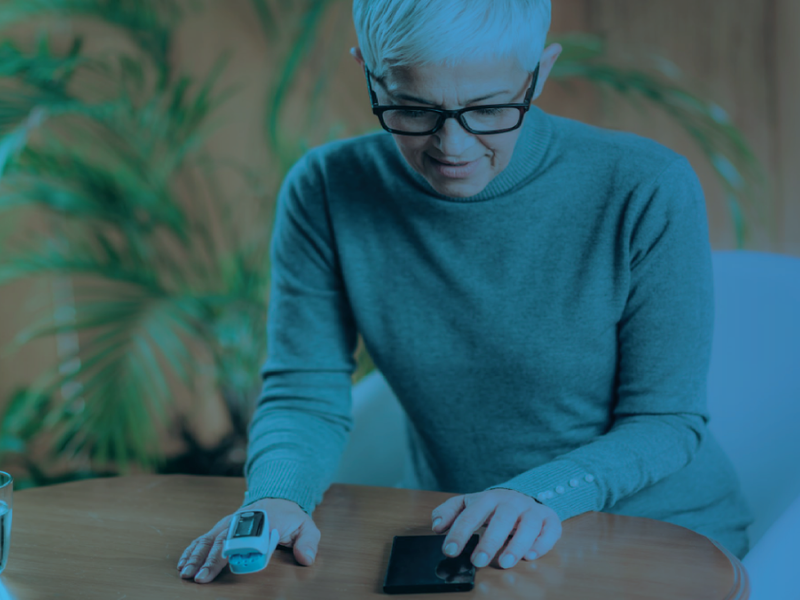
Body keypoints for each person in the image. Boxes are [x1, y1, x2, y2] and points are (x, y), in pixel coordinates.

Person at [178, 0, 755, 584]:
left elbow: (666, 420)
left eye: (490, 108)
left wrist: (537, 496)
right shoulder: (328, 189)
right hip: (465, 538)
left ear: (540, 73)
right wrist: (279, 498)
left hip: (655, 533)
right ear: (369, 74)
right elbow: (305, 390)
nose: (452, 146)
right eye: (412, 108)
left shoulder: (645, 185)